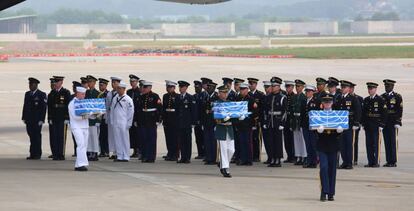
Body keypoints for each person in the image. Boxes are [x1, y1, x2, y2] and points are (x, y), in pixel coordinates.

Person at [316, 95, 343, 202]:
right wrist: (317, 130)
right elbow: (313, 127)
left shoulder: (336, 114)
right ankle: (324, 191)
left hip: (333, 145)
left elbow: (342, 125)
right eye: (325, 102)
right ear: (322, 103)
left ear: (332, 103)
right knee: (323, 168)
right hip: (322, 145)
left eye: (329, 102)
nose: (327, 104)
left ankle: (331, 193)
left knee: (332, 169)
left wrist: (339, 131)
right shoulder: (318, 114)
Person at [335, 80, 362, 170]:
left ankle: (349, 162)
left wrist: (356, 123)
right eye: (342, 87)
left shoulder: (353, 98)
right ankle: (344, 162)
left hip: (350, 124)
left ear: (348, 88)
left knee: (349, 144)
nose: (342, 89)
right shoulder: (339, 98)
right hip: (341, 125)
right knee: (342, 144)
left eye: (344, 87)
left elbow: (358, 111)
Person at [262, 77, 287, 167]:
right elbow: (265, 111)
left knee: (278, 141)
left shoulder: (282, 97)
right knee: (270, 141)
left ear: (279, 86)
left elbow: (284, 112)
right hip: (270, 122)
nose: (273, 87)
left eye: (275, 86)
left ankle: (278, 159)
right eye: (272, 86)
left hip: (277, 121)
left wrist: (282, 123)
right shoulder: (268, 97)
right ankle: (272, 158)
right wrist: (265, 122)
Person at [136, 81, 162, 163]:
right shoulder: (141, 97)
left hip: (151, 120)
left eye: (146, 87)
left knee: (151, 139)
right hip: (143, 120)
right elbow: (138, 109)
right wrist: (137, 120)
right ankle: (144, 155)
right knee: (143, 138)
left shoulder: (155, 96)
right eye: (143, 87)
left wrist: (158, 120)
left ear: (150, 88)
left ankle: (151, 157)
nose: (144, 89)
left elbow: (159, 109)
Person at [362, 82, 387, 168]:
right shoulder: (366, 100)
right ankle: (370, 161)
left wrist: (382, 125)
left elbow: (384, 113)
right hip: (368, 125)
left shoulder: (380, 100)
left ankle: (376, 161)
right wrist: (363, 124)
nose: (370, 90)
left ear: (375, 89)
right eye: (369, 88)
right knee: (368, 144)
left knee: (376, 144)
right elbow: (364, 113)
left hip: (376, 125)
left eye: (371, 89)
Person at [22, 77, 47, 160]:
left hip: (37, 120)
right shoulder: (27, 94)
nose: (30, 86)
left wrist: (41, 119)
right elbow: (25, 106)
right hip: (29, 119)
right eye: (29, 84)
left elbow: (43, 108)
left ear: (36, 85)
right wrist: (24, 117)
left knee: (36, 136)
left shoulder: (41, 94)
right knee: (31, 136)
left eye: (32, 84)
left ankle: (37, 153)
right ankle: (32, 153)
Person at [47, 76, 71, 160]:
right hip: (54, 118)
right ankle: (55, 153)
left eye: (57, 82)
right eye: (55, 82)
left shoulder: (66, 92)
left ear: (61, 83)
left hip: (62, 118)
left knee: (61, 137)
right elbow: (49, 107)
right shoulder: (51, 93)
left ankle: (61, 154)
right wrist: (49, 118)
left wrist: (67, 117)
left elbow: (68, 106)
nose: (55, 84)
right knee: (53, 136)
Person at [110, 81, 134, 162]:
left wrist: (129, 123)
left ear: (124, 89)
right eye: (117, 88)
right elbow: (112, 110)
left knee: (125, 140)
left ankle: (126, 156)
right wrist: (112, 121)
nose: (118, 90)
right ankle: (120, 155)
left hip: (124, 122)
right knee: (117, 139)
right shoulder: (115, 98)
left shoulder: (128, 99)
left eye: (120, 89)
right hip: (116, 122)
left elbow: (131, 112)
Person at [214, 85, 235, 178]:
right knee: (223, 150)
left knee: (231, 150)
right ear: (219, 94)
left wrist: (239, 116)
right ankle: (225, 169)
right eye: (223, 92)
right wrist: (223, 119)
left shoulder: (229, 102)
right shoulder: (217, 103)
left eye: (226, 92)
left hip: (229, 129)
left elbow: (234, 114)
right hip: (221, 129)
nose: (225, 94)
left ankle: (223, 164)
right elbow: (216, 118)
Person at [68, 86, 91, 171]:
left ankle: (78, 164)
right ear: (77, 93)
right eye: (82, 94)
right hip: (76, 127)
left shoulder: (84, 103)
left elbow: (89, 114)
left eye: (84, 94)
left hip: (85, 126)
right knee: (80, 144)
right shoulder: (72, 103)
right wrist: (87, 116)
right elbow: (75, 117)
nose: (84, 96)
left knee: (84, 145)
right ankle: (81, 164)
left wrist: (94, 115)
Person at [381, 79, 403, 167]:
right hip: (385, 123)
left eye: (388, 86)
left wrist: (398, 121)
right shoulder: (382, 97)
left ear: (392, 87)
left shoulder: (397, 97)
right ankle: (388, 160)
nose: (387, 88)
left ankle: (393, 161)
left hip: (393, 122)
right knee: (387, 142)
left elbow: (399, 110)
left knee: (393, 142)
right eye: (386, 86)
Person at [234, 83, 257, 166]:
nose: (242, 91)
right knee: (241, 141)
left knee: (248, 142)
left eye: (244, 89)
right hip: (240, 124)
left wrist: (246, 114)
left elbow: (254, 112)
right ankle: (243, 158)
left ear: (247, 90)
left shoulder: (251, 99)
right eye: (241, 89)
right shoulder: (237, 99)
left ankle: (249, 159)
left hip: (247, 123)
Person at [176, 81, 197, 163]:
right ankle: (182, 157)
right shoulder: (178, 97)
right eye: (179, 87)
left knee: (187, 141)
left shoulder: (190, 98)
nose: (180, 89)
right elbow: (177, 111)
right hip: (180, 123)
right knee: (181, 141)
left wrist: (193, 122)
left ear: (186, 88)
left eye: (182, 87)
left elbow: (194, 111)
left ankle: (187, 157)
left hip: (187, 123)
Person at [248, 78, 265, 162]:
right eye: (250, 84)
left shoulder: (260, 95)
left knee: (257, 138)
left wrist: (260, 119)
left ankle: (257, 156)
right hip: (249, 120)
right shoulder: (247, 95)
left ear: (256, 85)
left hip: (257, 120)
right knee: (249, 138)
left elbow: (262, 109)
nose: (251, 85)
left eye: (252, 84)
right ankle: (250, 155)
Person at [302, 85, 320, 168]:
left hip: (313, 126)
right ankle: (309, 161)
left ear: (312, 92)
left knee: (313, 144)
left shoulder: (316, 101)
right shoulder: (304, 100)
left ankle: (314, 161)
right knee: (307, 144)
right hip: (305, 125)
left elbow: (318, 114)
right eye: (306, 92)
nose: (307, 93)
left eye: (309, 92)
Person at [201, 81, 219, 165]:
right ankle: (208, 158)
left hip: (213, 123)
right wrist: (202, 123)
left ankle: (214, 158)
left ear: (214, 88)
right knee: (207, 141)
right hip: (207, 122)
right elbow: (203, 111)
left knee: (213, 141)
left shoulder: (216, 98)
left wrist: (217, 123)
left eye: (210, 87)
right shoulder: (205, 97)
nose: (208, 89)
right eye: (208, 87)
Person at [162, 80, 179, 161]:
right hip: (167, 119)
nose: (168, 89)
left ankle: (175, 154)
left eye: (169, 87)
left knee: (175, 138)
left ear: (174, 88)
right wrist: (163, 119)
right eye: (167, 87)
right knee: (168, 138)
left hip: (174, 119)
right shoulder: (165, 96)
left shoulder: (177, 96)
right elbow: (163, 108)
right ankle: (170, 152)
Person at [291, 79, 307, 165]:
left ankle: (304, 156)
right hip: (295, 120)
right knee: (296, 140)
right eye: (296, 86)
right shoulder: (294, 97)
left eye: (299, 86)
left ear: (302, 87)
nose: (297, 88)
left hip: (301, 120)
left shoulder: (304, 97)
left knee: (302, 140)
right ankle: (298, 156)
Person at [106, 76, 121, 159]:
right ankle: (113, 151)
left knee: (117, 135)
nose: (113, 84)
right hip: (111, 117)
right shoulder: (109, 93)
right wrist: (107, 117)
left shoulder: (120, 94)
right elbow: (107, 106)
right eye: (112, 82)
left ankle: (118, 152)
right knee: (111, 135)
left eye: (115, 83)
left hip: (118, 117)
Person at [85, 75, 100, 161]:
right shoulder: (86, 93)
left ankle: (95, 152)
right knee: (88, 136)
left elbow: (99, 108)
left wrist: (98, 119)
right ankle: (89, 151)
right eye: (88, 82)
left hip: (94, 118)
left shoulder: (97, 93)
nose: (89, 84)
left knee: (94, 136)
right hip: (87, 118)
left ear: (94, 83)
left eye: (91, 82)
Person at [127, 74, 141, 158]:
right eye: (131, 82)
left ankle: (139, 150)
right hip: (130, 115)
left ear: (137, 82)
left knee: (137, 134)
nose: (132, 83)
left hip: (137, 114)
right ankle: (135, 150)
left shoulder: (139, 91)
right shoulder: (129, 92)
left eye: (133, 81)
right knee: (132, 133)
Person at [350, 82, 364, 165]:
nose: (351, 89)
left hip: (355, 123)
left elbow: (360, 112)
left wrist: (359, 123)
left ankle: (354, 159)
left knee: (354, 142)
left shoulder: (359, 98)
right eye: (349, 87)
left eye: (352, 88)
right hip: (347, 124)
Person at [283, 80, 296, 163]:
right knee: (286, 139)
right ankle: (289, 156)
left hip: (291, 120)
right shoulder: (284, 96)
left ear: (292, 87)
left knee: (292, 140)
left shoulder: (294, 97)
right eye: (286, 87)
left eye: (289, 87)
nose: (287, 88)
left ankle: (293, 156)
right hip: (285, 120)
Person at [97, 78, 110, 157]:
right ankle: (102, 151)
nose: (100, 86)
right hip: (99, 117)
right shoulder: (98, 94)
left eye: (102, 85)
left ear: (105, 85)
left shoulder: (107, 94)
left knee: (106, 135)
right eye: (99, 85)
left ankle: (106, 151)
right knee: (100, 135)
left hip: (105, 117)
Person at [193, 80, 205, 159]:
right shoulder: (193, 96)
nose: (196, 89)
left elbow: (202, 110)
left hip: (202, 120)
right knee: (198, 138)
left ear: (201, 87)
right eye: (195, 87)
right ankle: (200, 153)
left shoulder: (204, 95)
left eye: (198, 87)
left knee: (203, 137)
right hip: (196, 120)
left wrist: (201, 120)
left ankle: (205, 153)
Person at [261, 81, 272, 164]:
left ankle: (273, 157)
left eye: (267, 87)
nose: (266, 89)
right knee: (266, 141)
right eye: (265, 87)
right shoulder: (264, 97)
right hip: (264, 121)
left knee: (271, 140)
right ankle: (269, 156)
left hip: (271, 121)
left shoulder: (272, 97)